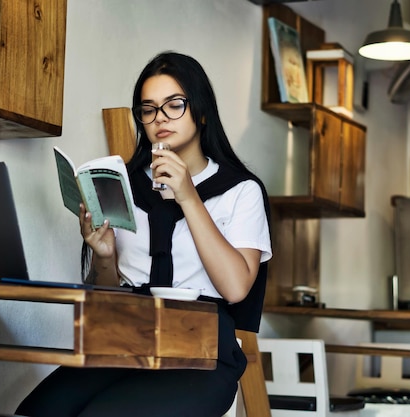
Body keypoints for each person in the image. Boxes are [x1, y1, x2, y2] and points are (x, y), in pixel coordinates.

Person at [15, 51, 272, 417]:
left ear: (200, 111)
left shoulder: (240, 190)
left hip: (201, 351)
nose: (159, 118)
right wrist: (104, 256)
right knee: (37, 410)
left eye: (174, 105)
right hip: (124, 341)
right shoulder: (126, 185)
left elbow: (235, 288)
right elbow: (105, 296)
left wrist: (188, 196)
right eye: (148, 109)